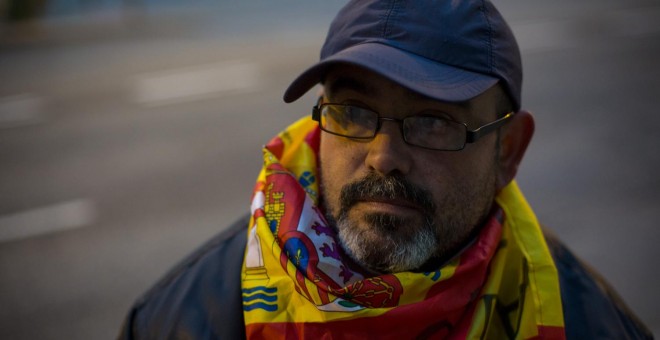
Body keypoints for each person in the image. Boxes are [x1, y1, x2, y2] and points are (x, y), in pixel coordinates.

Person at [119, 1, 652, 339]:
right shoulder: (181, 321)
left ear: (508, 150)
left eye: (433, 121)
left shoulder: (588, 323)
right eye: (353, 112)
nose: (383, 156)